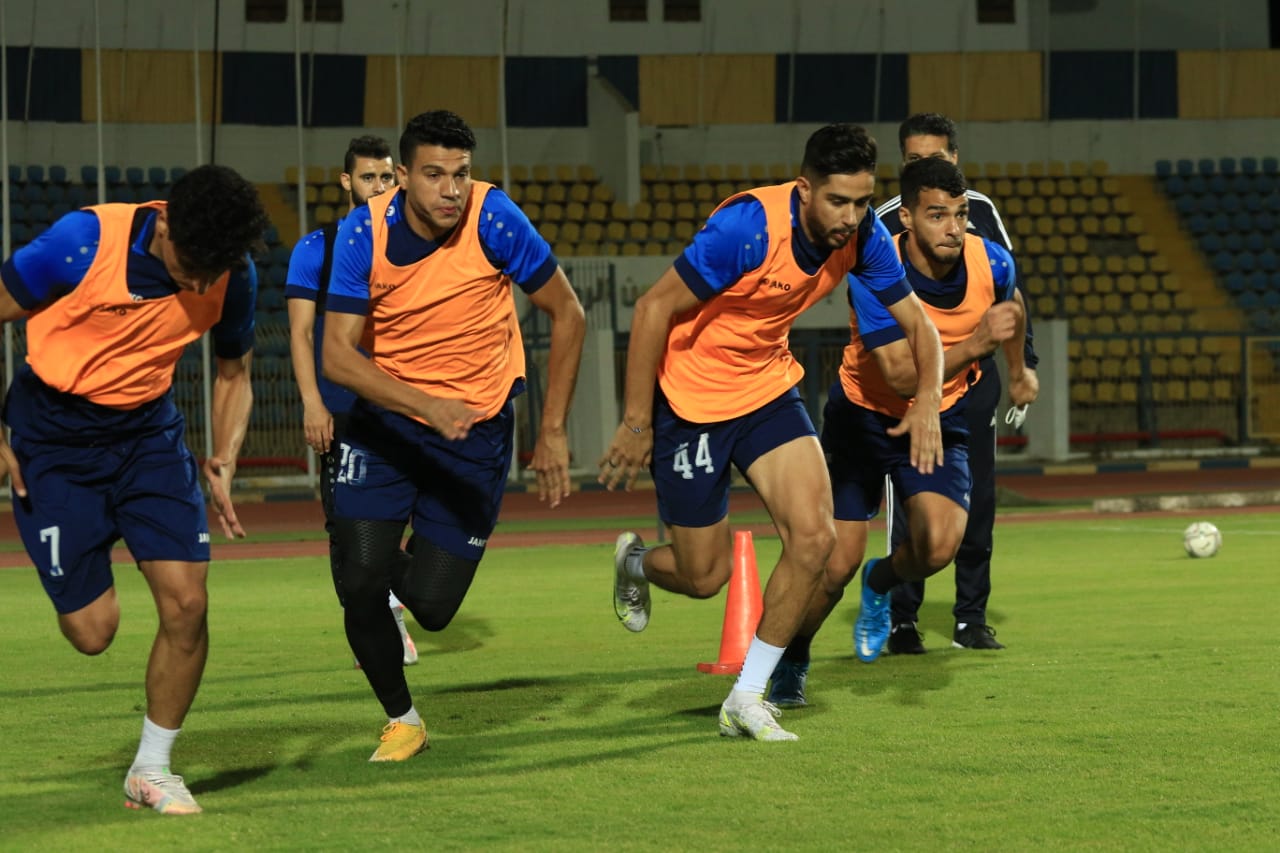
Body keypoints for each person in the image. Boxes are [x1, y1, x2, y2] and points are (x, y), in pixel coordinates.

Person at [598, 123, 944, 742]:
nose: (851, 217)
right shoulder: (748, 229)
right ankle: (634, 564)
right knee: (704, 578)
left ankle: (748, 695)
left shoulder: (863, 236)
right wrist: (635, 421)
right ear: (805, 189)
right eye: (837, 201)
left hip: (765, 389)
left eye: (862, 202)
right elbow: (652, 308)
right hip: (691, 399)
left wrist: (928, 404)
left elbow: (921, 327)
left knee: (816, 539)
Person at [0, 165, 267, 814]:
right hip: (53, 440)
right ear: (165, 222)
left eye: (212, 271)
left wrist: (225, 456)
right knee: (93, 631)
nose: (200, 285)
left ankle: (152, 768)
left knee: (188, 603)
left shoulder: (232, 273)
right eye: (192, 266)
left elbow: (233, 373)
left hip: (147, 436)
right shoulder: (80, 245)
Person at [321, 110, 585, 762]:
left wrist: (552, 429)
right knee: (361, 578)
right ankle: (403, 718)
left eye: (461, 174)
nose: (450, 190)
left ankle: (374, 548)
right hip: (386, 426)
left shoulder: (495, 219)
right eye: (434, 175)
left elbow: (568, 312)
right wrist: (423, 403)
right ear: (402, 176)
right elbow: (337, 356)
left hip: (474, 432)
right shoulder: (363, 233)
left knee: (433, 607)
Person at [768, 158, 1038, 706]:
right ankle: (793, 659)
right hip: (863, 419)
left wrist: (1018, 370)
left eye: (960, 215)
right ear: (908, 218)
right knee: (833, 565)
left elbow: (1012, 309)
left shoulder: (992, 262)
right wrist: (978, 345)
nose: (953, 228)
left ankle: (881, 580)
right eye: (937, 215)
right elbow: (898, 374)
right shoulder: (875, 265)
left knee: (938, 546)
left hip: (940, 416)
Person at [874, 112, 1040, 654]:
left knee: (979, 500)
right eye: (914, 160)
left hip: (973, 378)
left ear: (956, 159)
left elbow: (1009, 291)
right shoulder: (883, 222)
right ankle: (902, 620)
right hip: (912, 383)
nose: (925, 167)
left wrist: (1021, 366)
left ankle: (971, 618)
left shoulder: (980, 211)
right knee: (911, 504)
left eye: (936, 158)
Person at [286, 135, 418, 667]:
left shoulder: (414, 246)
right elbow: (300, 334)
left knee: (417, 514)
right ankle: (375, 624)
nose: (379, 187)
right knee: (344, 523)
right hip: (343, 409)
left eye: (386, 177)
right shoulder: (316, 249)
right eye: (368, 177)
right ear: (347, 181)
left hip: (402, 403)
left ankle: (392, 596)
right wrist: (312, 403)